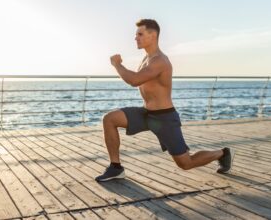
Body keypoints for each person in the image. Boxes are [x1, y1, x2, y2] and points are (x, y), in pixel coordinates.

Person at [95, 19, 234, 182]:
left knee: (185, 163)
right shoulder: (146, 59)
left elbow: (134, 80)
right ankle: (115, 167)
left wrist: (117, 65)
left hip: (164, 118)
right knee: (109, 119)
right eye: (136, 35)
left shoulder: (160, 60)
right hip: (146, 114)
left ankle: (222, 153)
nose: (136, 38)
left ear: (152, 35)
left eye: (140, 34)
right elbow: (137, 78)